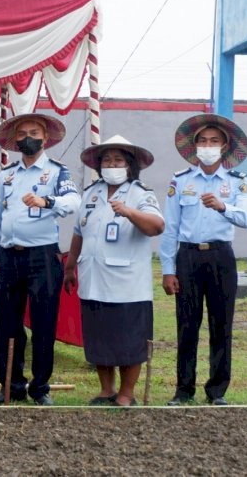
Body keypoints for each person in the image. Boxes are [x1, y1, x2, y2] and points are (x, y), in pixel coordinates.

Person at [0, 113, 80, 406]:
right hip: (9, 257)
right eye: (22, 133)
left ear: (44, 138)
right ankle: (10, 386)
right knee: (8, 325)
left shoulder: (57, 172)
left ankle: (40, 388)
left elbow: (73, 202)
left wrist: (47, 201)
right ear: (15, 141)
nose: (28, 137)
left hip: (43, 257)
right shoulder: (7, 175)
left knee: (43, 323)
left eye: (34, 132)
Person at [63, 135, 164, 407]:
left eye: (118, 159)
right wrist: (70, 267)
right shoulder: (91, 193)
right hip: (93, 278)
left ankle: (126, 394)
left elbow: (156, 226)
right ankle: (106, 390)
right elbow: (77, 233)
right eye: (106, 160)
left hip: (127, 285)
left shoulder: (141, 193)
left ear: (130, 165)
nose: (112, 164)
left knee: (130, 341)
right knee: (99, 338)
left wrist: (130, 212)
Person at [160, 114, 247, 406]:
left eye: (214, 141)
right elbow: (170, 229)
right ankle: (183, 389)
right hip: (187, 256)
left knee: (221, 324)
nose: (207, 146)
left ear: (224, 147)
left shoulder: (239, 182)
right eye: (202, 141)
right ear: (195, 146)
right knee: (186, 324)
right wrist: (167, 270)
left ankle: (217, 390)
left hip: (221, 256)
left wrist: (224, 206)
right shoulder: (180, 181)